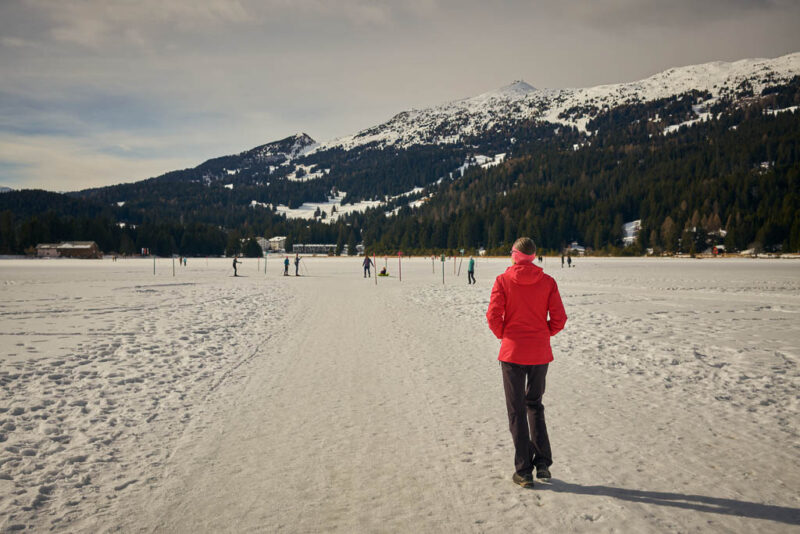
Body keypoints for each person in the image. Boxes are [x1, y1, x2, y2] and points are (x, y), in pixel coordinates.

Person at [486, 237, 567, 489]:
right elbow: (559, 318)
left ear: (515, 255)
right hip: (539, 353)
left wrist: (505, 335)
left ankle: (523, 471)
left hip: (512, 354)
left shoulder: (503, 280)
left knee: (516, 410)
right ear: (533, 256)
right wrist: (542, 335)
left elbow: (493, 316)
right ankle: (542, 462)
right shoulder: (548, 282)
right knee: (534, 404)